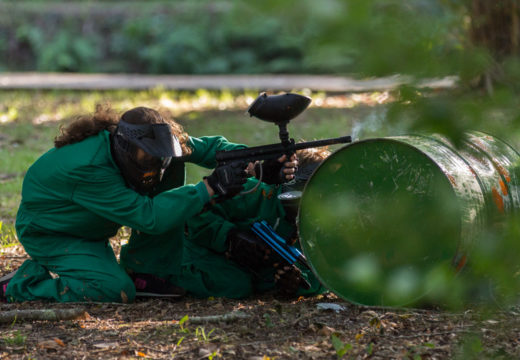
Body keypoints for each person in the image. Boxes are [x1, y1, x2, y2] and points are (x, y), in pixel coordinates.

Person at [0, 104, 295, 303]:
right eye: (146, 159)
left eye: (159, 156)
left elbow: (213, 149)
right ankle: (21, 282)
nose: (155, 166)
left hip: (92, 223)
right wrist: (209, 188)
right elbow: (147, 217)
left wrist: (258, 164)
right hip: (55, 234)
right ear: (123, 147)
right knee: (114, 290)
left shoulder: (150, 142)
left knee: (177, 160)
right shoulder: (88, 168)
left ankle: (148, 270)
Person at [121, 146, 331, 299]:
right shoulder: (255, 191)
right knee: (235, 285)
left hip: (236, 268)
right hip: (191, 246)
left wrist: (290, 284)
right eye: (301, 190)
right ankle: (149, 271)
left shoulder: (327, 224)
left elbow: (325, 275)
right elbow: (195, 213)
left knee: (238, 285)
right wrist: (230, 238)